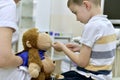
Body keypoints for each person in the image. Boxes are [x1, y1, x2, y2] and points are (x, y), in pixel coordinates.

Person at [52, 0, 116, 80]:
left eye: (75, 13)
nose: (77, 18)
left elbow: (82, 62)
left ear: (86, 5)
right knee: (65, 75)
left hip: (91, 76)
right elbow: (100, 53)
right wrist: (80, 48)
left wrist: (63, 48)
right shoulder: (108, 24)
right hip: (104, 76)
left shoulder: (91, 26)